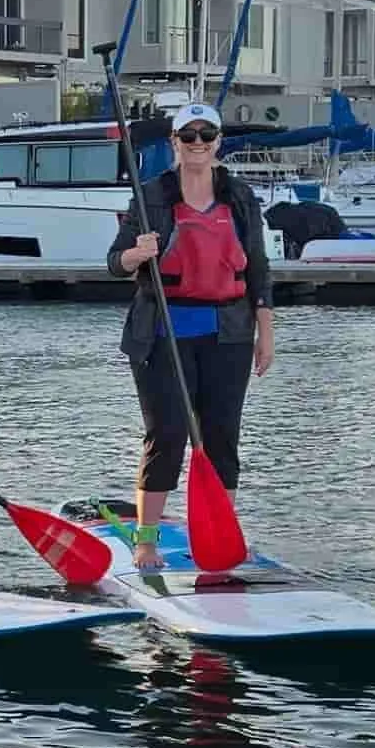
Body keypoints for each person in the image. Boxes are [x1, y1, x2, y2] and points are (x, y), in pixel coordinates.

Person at [108, 101, 276, 581]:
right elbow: (113, 261)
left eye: (207, 135)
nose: (198, 143)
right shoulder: (151, 196)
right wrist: (135, 256)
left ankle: (219, 534)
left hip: (229, 334)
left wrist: (266, 333)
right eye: (188, 136)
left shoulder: (239, 197)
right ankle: (146, 543)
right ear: (174, 143)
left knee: (222, 437)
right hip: (162, 334)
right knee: (168, 436)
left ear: (218, 141)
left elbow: (259, 270)